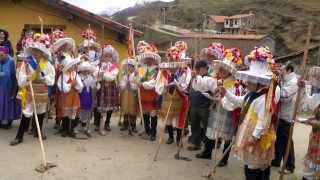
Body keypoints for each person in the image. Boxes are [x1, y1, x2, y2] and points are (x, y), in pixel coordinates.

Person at [220, 46, 279, 180]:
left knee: (253, 166)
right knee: (249, 164)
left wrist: (254, 137)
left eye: (250, 80)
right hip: (248, 131)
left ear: (258, 82)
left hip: (256, 137)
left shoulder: (263, 99)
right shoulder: (251, 95)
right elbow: (239, 101)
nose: (246, 82)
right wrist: (226, 93)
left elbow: (263, 121)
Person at [196, 48, 243, 168]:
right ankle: (207, 152)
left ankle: (224, 158)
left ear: (229, 71)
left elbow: (233, 101)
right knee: (212, 131)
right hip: (216, 109)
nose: (221, 71)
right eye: (220, 69)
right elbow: (208, 86)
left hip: (226, 112)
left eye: (224, 69)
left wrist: (221, 100)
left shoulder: (235, 84)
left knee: (226, 135)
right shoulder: (219, 80)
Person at [10, 40, 55, 146]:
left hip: (42, 91)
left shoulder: (47, 64)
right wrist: (27, 78)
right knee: (27, 112)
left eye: (37, 51)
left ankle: (37, 132)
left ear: (42, 52)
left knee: (41, 111)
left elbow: (51, 77)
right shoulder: (26, 62)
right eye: (34, 50)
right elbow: (21, 77)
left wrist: (43, 79)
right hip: (30, 90)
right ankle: (19, 136)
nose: (35, 52)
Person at [159, 41, 191, 145]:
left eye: (174, 60)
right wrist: (164, 86)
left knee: (179, 119)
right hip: (168, 96)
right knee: (168, 118)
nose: (172, 63)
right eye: (171, 60)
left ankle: (178, 139)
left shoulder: (185, 70)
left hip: (180, 97)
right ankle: (171, 137)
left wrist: (177, 84)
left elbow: (185, 85)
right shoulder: (164, 71)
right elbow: (159, 85)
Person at [271, 62, 297, 173]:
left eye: (283, 70)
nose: (281, 71)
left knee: (287, 141)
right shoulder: (286, 80)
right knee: (279, 139)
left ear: (289, 70)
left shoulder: (293, 82)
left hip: (288, 115)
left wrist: (275, 85)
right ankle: (276, 160)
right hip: (281, 114)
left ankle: (289, 165)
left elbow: (284, 96)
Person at [187, 60, 217, 151]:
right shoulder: (195, 78)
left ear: (205, 69)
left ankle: (206, 146)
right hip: (194, 105)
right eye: (197, 69)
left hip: (204, 106)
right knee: (194, 125)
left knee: (206, 127)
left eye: (199, 69)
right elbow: (192, 89)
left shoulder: (211, 79)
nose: (197, 70)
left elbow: (215, 93)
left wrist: (212, 104)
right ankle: (195, 143)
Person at [136, 41, 162, 141]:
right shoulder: (141, 69)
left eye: (151, 58)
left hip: (152, 93)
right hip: (143, 93)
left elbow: (154, 82)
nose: (149, 60)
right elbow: (138, 79)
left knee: (153, 113)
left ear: (154, 59)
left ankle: (153, 133)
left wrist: (142, 84)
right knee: (145, 112)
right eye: (147, 58)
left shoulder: (157, 70)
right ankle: (146, 130)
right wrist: (137, 79)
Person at [298, 66, 320, 180]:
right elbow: (306, 107)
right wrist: (303, 88)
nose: (314, 82)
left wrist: (316, 123)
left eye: (316, 79)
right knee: (309, 171)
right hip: (316, 138)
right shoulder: (317, 94)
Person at [94, 44, 120, 135]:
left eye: (109, 56)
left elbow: (112, 77)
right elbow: (95, 74)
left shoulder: (114, 66)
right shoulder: (98, 65)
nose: (107, 57)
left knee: (109, 106)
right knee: (98, 105)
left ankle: (107, 123)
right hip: (101, 87)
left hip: (110, 88)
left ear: (112, 57)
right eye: (106, 55)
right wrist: (102, 74)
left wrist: (103, 74)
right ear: (102, 56)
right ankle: (97, 123)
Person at [57, 54, 83, 138]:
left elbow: (80, 86)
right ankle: (65, 129)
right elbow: (61, 86)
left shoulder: (75, 74)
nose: (72, 67)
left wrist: (77, 85)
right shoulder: (62, 75)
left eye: (72, 65)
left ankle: (71, 129)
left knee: (73, 113)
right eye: (71, 66)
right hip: (65, 97)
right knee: (65, 114)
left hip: (74, 96)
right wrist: (70, 85)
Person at [0, 46, 20, 129]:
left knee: (7, 103)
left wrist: (14, 90)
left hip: (8, 87)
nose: (0, 57)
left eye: (1, 55)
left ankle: (6, 121)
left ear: (6, 54)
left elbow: (13, 76)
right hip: (1, 87)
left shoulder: (11, 61)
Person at [74, 60, 96, 138]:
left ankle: (85, 125)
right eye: (85, 69)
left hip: (88, 94)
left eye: (87, 70)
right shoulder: (79, 76)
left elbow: (93, 86)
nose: (86, 71)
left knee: (87, 110)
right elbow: (79, 86)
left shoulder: (90, 76)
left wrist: (95, 81)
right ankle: (75, 126)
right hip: (81, 94)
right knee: (79, 109)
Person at [119, 58, 140, 134]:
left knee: (132, 108)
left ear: (134, 67)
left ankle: (133, 125)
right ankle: (125, 123)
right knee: (125, 107)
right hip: (125, 93)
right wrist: (124, 85)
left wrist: (131, 84)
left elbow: (138, 84)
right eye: (127, 67)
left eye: (131, 67)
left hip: (133, 93)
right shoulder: (124, 75)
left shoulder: (136, 75)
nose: (129, 68)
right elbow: (121, 84)